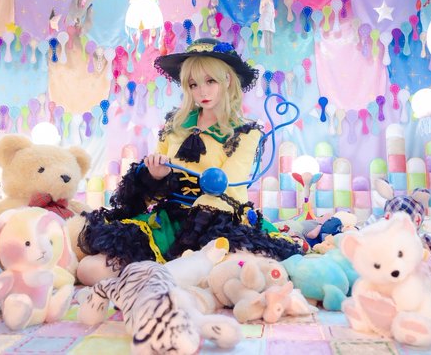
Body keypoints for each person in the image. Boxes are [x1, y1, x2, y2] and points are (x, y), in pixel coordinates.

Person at [77, 38, 300, 284]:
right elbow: (151, 195)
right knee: (90, 270)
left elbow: (230, 188)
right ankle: (165, 276)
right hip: (169, 220)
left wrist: (193, 234)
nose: (202, 92)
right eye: (194, 84)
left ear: (227, 80)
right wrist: (156, 176)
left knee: (246, 270)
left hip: (219, 220)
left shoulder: (246, 133)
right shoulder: (174, 126)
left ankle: (174, 275)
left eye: (210, 81)